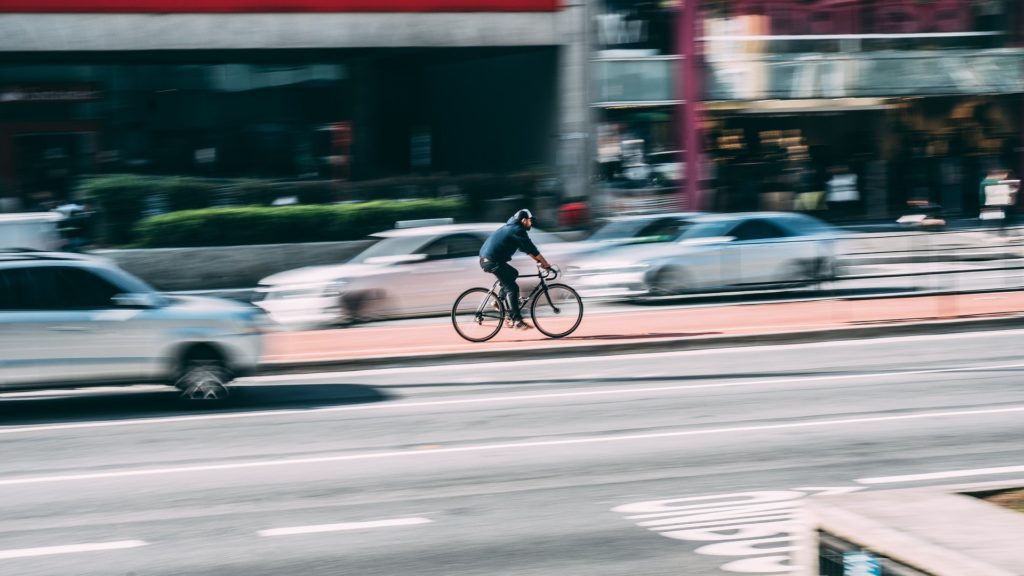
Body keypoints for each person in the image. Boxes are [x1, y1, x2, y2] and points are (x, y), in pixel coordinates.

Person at [479, 209, 552, 330]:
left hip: (490, 259)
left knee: (513, 273)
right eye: (530, 220)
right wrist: (546, 264)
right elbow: (532, 249)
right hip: (491, 261)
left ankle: (498, 301)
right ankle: (518, 320)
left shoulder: (513, 228)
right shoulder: (517, 230)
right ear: (523, 220)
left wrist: (540, 261)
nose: (531, 223)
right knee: (513, 288)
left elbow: (527, 250)